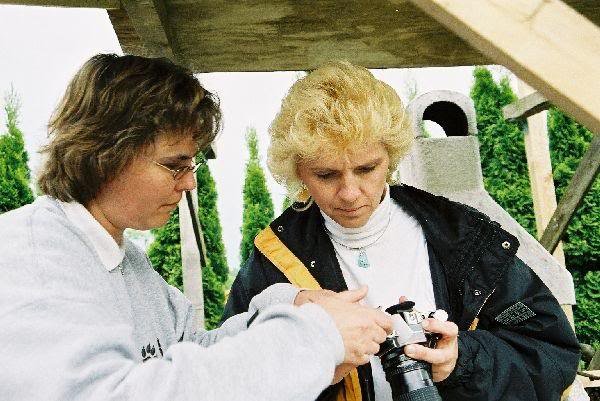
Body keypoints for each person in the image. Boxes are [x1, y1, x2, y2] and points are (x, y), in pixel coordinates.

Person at [0, 54, 394, 401]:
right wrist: (314, 339)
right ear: (107, 154)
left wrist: (288, 306)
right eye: (175, 165)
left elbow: (193, 349)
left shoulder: (125, 261)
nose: (190, 183)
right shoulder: (31, 263)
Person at [222, 60, 580, 401]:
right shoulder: (274, 258)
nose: (350, 193)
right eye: (326, 175)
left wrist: (460, 362)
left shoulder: (463, 236)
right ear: (298, 172)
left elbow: (551, 355)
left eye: (366, 169)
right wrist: (314, 364)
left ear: (391, 157)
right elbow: (229, 379)